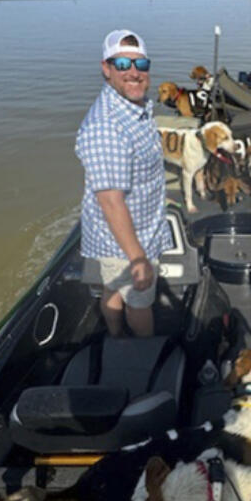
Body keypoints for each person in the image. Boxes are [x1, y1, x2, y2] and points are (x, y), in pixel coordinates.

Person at [74, 29, 170, 337]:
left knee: (111, 289)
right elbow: (110, 201)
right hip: (125, 240)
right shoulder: (106, 128)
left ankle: (115, 336)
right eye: (122, 64)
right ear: (106, 68)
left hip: (141, 226)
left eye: (140, 65)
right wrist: (138, 258)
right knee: (139, 302)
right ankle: (143, 350)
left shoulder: (133, 108)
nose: (133, 73)